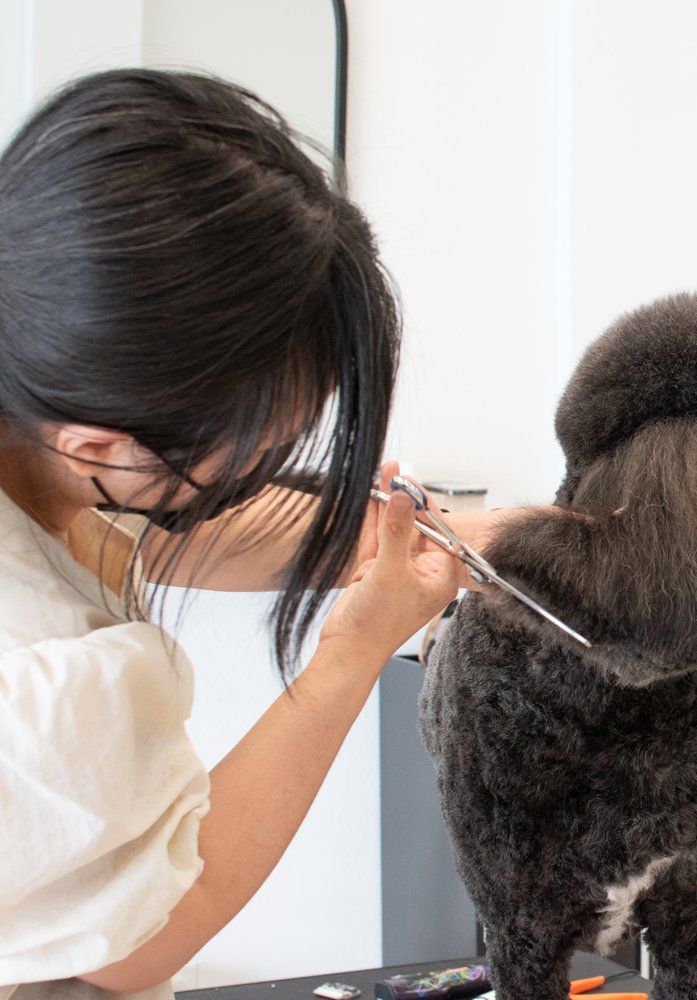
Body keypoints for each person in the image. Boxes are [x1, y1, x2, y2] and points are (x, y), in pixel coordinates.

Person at [0, 69, 507, 999]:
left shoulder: (36, 413)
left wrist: (483, 537)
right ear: (98, 444)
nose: (268, 472)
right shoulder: (36, 667)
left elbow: (164, 525)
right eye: (258, 452)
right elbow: (135, 943)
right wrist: (351, 653)